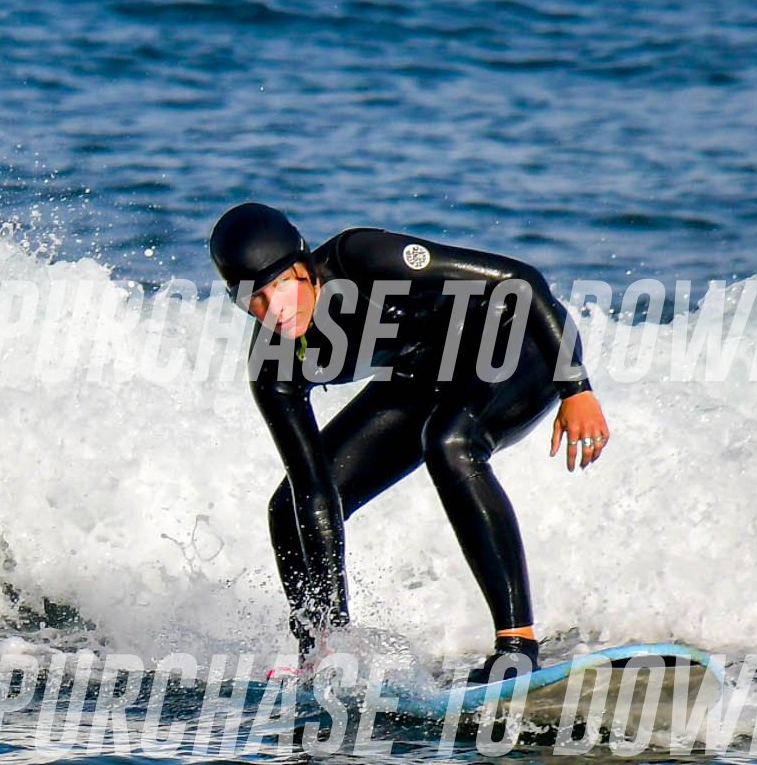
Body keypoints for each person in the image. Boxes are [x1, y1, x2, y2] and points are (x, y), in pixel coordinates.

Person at [209, 201, 611, 684]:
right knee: (288, 508)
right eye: (253, 298)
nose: (274, 309)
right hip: (427, 371)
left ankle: (517, 646)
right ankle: (319, 650)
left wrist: (576, 388)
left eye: (280, 285)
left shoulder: (363, 259)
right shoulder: (274, 367)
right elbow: (315, 493)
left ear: (304, 266)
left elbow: (520, 280)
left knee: (450, 443)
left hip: (522, 342)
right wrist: (333, 630)